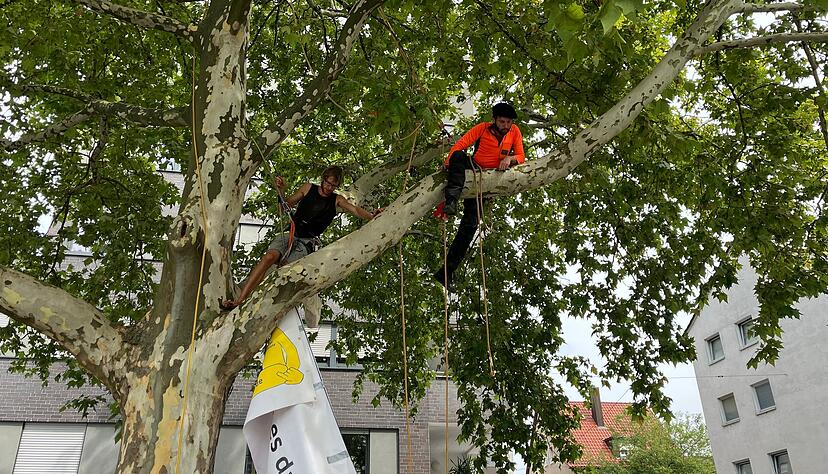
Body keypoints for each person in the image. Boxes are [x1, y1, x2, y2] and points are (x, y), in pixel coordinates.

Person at [222, 166, 380, 310]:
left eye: (333, 186)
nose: (329, 187)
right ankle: (240, 300)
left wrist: (372, 216)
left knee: (286, 273)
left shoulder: (337, 200)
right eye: (328, 183)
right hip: (291, 232)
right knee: (269, 257)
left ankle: (299, 303)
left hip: (306, 242)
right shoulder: (308, 188)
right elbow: (284, 206)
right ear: (323, 179)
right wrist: (281, 190)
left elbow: (355, 210)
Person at [434, 102, 525, 288]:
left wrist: (510, 158)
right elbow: (461, 144)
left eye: (508, 122)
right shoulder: (482, 129)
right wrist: (447, 162)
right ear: (494, 120)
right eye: (502, 121)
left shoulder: (514, 131)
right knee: (458, 156)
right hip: (473, 168)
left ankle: (446, 272)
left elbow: (522, 156)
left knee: (470, 227)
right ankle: (451, 200)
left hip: (488, 179)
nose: (505, 126)